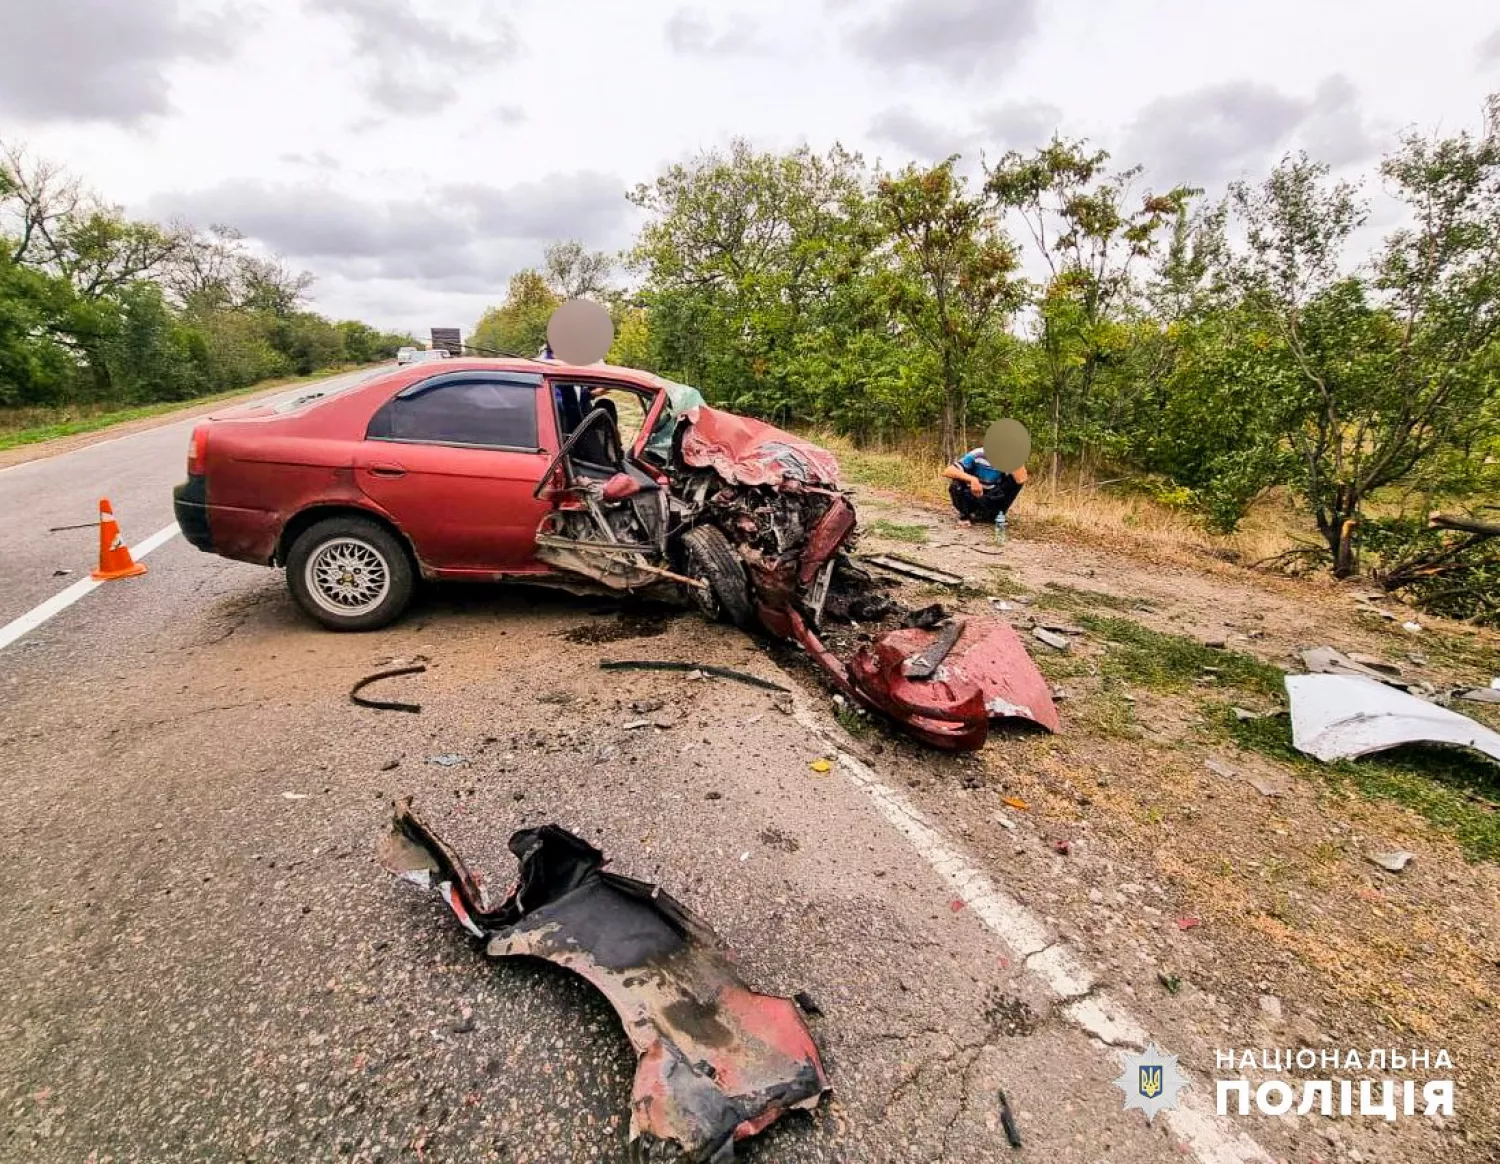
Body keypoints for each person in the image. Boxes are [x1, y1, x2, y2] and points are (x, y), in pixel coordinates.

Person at [942, 448, 1028, 525]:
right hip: (973, 494)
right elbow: (948, 471)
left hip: (992, 496)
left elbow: (1021, 479)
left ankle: (995, 515)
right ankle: (965, 514)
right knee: (956, 484)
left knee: (1014, 481)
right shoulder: (978, 454)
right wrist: (972, 479)